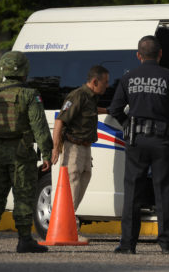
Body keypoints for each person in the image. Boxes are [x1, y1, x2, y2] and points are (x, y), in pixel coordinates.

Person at [108, 35, 169, 254]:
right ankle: (166, 244)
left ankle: (128, 244)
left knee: (133, 191)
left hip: (136, 141)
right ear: (160, 54)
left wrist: (128, 124)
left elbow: (115, 109)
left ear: (138, 55)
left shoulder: (129, 78)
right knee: (163, 191)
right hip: (162, 141)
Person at [0, 51, 53, 253]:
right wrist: (47, 153)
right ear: (23, 71)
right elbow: (39, 126)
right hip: (21, 155)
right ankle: (24, 240)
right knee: (23, 196)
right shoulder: (29, 94)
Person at [51, 65, 109, 240]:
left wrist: (108, 111)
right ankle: (66, 228)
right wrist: (55, 148)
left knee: (84, 177)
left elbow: (89, 111)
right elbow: (60, 120)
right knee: (72, 182)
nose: (107, 86)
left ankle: (69, 224)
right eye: (105, 83)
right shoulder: (77, 95)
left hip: (85, 146)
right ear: (94, 81)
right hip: (73, 146)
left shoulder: (91, 97)